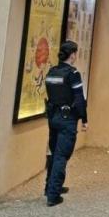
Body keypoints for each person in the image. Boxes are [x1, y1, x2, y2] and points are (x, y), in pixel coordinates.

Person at [44, 41, 88, 207]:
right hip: (67, 118)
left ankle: (50, 187)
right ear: (72, 54)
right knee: (62, 155)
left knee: (54, 152)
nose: (76, 56)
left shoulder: (52, 71)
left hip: (53, 116)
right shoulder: (73, 74)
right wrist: (84, 119)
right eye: (75, 53)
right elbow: (79, 98)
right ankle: (53, 195)